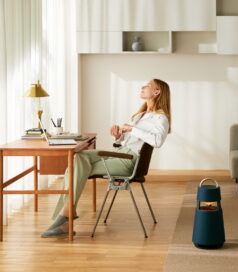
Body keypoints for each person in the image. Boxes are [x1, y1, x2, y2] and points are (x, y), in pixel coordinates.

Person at [41, 78, 171, 237]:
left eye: (147, 86)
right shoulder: (140, 115)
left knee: (76, 167)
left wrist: (132, 128)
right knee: (77, 157)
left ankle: (64, 219)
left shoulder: (161, 118)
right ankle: (65, 216)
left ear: (156, 92)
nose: (142, 87)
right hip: (121, 152)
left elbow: (157, 141)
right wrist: (118, 135)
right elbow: (125, 141)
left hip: (129, 162)